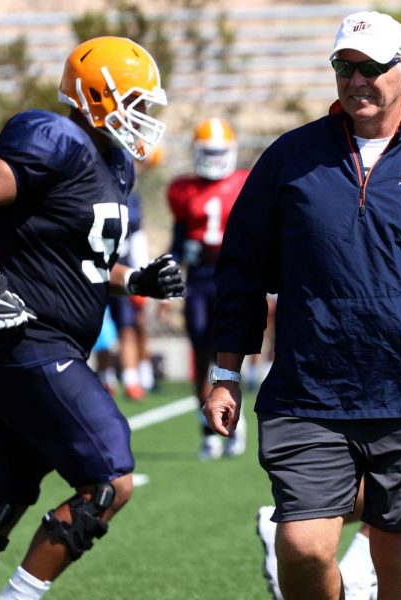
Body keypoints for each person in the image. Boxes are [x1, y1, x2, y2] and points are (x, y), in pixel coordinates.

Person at [204, 11, 401, 600]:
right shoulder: (289, 157)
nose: (357, 81)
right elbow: (242, 271)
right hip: (309, 393)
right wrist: (227, 373)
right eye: (344, 67)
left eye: (372, 68)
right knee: (302, 549)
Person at [0, 36, 184, 600]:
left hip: (27, 346)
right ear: (97, 97)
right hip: (26, 339)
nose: (144, 115)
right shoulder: (55, 139)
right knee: (109, 480)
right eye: (135, 100)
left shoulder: (112, 161)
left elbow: (83, 259)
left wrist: (132, 280)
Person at [167, 116, 250, 460]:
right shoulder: (182, 189)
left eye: (219, 151)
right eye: (208, 151)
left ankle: (234, 421)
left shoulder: (245, 182)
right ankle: (208, 431)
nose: (214, 159)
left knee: (226, 355)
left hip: (232, 275)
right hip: (200, 277)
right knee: (200, 355)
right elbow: (177, 237)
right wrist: (172, 272)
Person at [97, 190, 153, 401]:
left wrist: (142, 272)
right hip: (94, 269)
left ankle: (131, 379)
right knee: (98, 328)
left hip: (122, 272)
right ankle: (106, 378)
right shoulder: (83, 184)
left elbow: (137, 235)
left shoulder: (129, 195)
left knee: (127, 326)